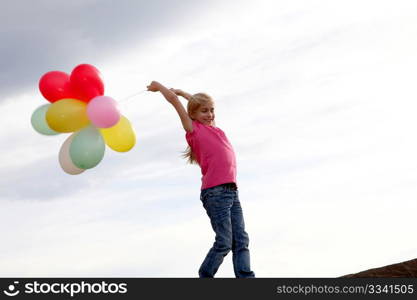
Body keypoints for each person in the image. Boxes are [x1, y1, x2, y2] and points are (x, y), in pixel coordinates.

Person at [147, 81, 255, 278]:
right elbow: (174, 102)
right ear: (194, 115)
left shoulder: (215, 129)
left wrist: (183, 92)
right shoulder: (193, 130)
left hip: (232, 191)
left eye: (212, 110)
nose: (210, 114)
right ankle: (205, 276)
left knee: (241, 240)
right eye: (205, 111)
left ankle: (246, 278)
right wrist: (160, 87)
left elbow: (195, 105)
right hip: (215, 193)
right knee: (224, 241)